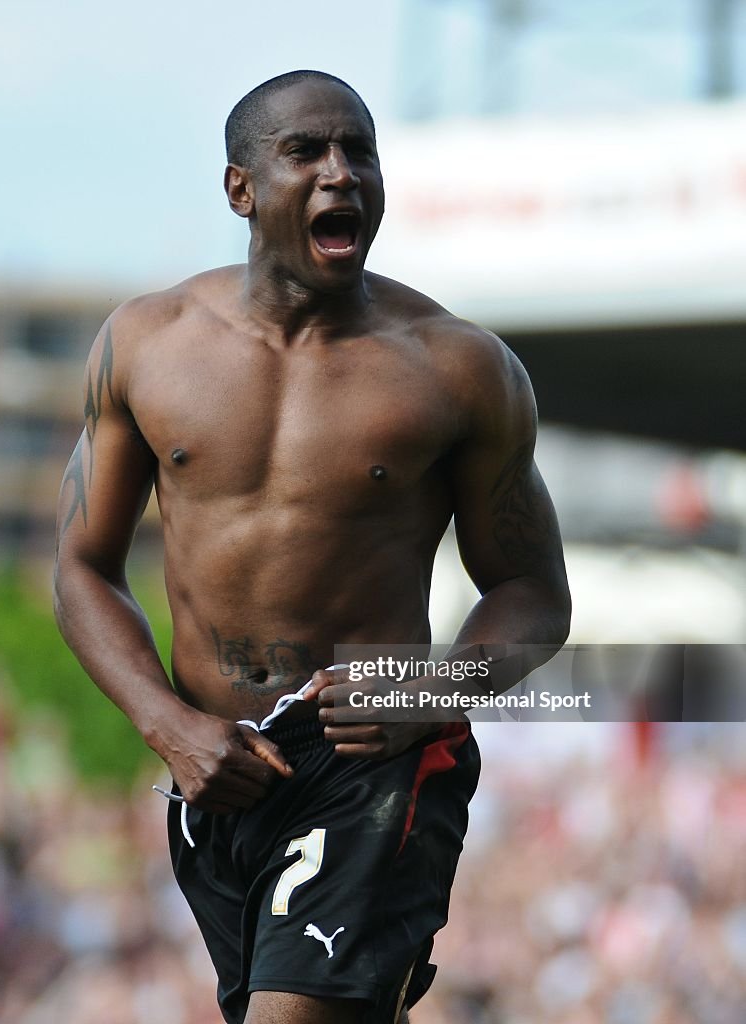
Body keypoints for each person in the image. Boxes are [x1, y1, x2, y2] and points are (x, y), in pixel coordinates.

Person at [53, 69, 571, 1024]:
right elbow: (83, 570)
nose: (342, 176)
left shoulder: (459, 369)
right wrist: (166, 724)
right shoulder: (145, 343)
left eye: (359, 153)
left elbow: (536, 594)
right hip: (216, 772)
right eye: (307, 153)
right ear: (241, 189)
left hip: (375, 757)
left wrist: (432, 691)